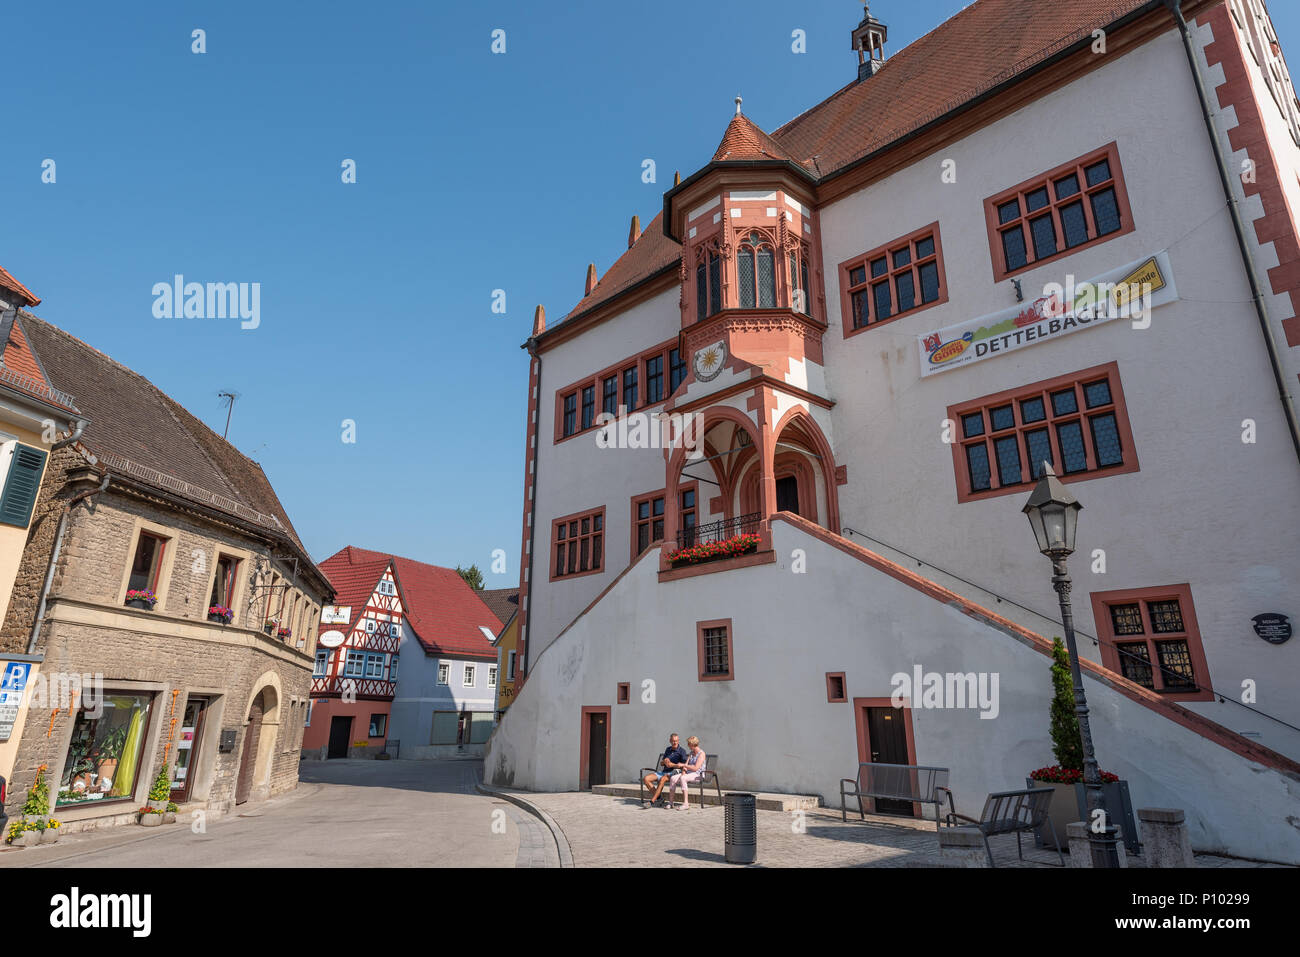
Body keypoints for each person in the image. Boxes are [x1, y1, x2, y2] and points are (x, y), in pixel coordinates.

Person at [643, 733, 687, 807]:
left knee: (662, 779)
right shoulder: (668, 749)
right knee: (646, 779)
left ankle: (652, 801)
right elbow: (661, 764)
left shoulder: (682, 751)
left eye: (676, 741)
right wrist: (664, 761)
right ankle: (660, 798)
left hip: (674, 773)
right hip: (664, 772)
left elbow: (684, 766)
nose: (675, 742)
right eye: (673, 741)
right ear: (670, 740)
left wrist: (672, 765)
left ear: (678, 741)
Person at [666, 736, 706, 809]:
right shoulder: (691, 753)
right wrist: (683, 771)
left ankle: (686, 804)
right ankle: (671, 802)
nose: (688, 745)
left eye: (689, 744)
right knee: (673, 778)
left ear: (693, 744)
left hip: (698, 775)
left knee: (683, 778)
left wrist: (683, 766)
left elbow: (695, 768)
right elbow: (686, 766)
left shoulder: (701, 754)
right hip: (689, 774)